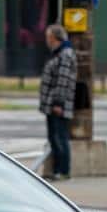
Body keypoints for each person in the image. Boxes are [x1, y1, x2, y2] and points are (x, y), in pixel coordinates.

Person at [39, 24, 77, 181]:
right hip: (52, 104)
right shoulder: (58, 54)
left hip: (58, 105)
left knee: (60, 137)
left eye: (48, 37)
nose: (46, 40)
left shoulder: (65, 55)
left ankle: (63, 171)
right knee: (54, 137)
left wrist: (58, 104)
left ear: (54, 38)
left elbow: (62, 81)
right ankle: (57, 170)